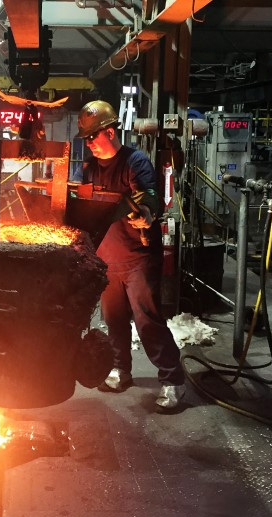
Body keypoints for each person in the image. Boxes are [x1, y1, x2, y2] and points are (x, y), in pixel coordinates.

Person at [74, 100, 186, 411]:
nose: (90, 144)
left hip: (137, 258)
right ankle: (121, 370)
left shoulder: (135, 162)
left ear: (109, 132)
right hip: (107, 259)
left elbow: (148, 194)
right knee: (114, 321)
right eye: (86, 139)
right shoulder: (90, 168)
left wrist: (146, 214)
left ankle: (173, 380)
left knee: (147, 321)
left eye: (92, 137)